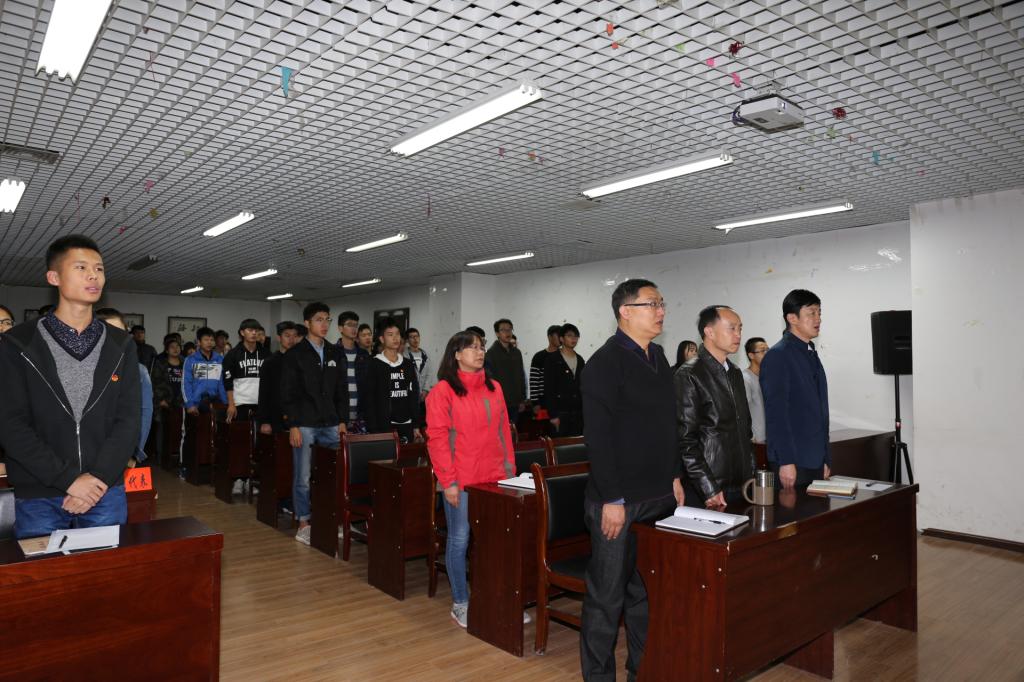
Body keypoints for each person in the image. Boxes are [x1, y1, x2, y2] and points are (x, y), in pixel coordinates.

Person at [0, 235, 139, 539]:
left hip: (104, 491)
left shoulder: (121, 345)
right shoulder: (18, 343)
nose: (93, 275)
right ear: (54, 277)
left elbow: (128, 421)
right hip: (40, 492)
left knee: (105, 569)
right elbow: (11, 424)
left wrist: (96, 480)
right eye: (81, 267)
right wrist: (70, 481)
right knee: (43, 571)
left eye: (99, 269)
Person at [580, 278, 684, 682]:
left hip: (658, 495)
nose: (661, 311)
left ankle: (641, 669)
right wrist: (612, 498)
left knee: (646, 594)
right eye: (651, 304)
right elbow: (599, 437)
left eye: (661, 303)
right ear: (625, 311)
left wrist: (674, 476)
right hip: (618, 501)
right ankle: (598, 677)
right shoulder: (604, 363)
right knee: (606, 599)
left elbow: (668, 425)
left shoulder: (658, 357)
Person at [426, 329, 515, 628]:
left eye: (481, 347)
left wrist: (509, 472)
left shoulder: (494, 387)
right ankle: (460, 603)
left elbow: (503, 432)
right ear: (456, 354)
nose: (480, 352)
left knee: (494, 541)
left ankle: (494, 598)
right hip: (461, 480)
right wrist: (448, 482)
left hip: (493, 477)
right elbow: (438, 441)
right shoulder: (442, 391)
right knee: (460, 539)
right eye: (473, 347)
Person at [674, 306, 755, 508]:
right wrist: (708, 487)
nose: (738, 334)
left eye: (740, 328)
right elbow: (685, 440)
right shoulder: (689, 374)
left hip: (742, 483)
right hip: (709, 487)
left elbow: (745, 429)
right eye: (732, 328)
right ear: (709, 332)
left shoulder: (734, 373)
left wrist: (751, 473)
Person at [280, 303, 348, 545]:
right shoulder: (295, 354)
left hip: (331, 423)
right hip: (305, 423)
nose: (324, 324)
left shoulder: (335, 352)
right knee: (303, 475)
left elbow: (341, 390)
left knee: (335, 474)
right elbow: (288, 393)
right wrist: (293, 425)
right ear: (307, 323)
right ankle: (304, 522)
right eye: (319, 319)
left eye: (327, 319)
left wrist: (343, 420)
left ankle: (331, 517)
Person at [760, 289, 831, 489]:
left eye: (819, 312)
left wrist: (825, 457)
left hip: (814, 458)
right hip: (793, 461)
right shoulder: (778, 355)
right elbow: (776, 414)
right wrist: (785, 461)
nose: (818, 319)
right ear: (792, 318)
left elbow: (820, 411)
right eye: (811, 313)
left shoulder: (810, 352)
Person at [97, 309, 153, 467]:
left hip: (123, 451)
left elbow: (144, 413)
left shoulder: (139, 371)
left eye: (120, 332)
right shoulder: (82, 369)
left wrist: (135, 452)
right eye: (108, 332)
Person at [222, 319, 268, 495]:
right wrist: (231, 404)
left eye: (256, 330)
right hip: (240, 404)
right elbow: (227, 381)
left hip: (261, 404)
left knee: (258, 444)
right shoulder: (233, 354)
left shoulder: (265, 353)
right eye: (250, 330)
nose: (254, 333)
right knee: (240, 443)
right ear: (242, 332)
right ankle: (238, 480)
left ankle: (252, 479)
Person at [364, 318, 422, 443]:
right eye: (390, 335)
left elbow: (414, 395)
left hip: (407, 424)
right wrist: (373, 428)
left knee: (408, 455)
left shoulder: (408, 364)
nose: (395, 338)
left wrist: (416, 424)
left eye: (397, 334)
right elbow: (369, 399)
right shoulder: (374, 364)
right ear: (382, 339)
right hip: (383, 426)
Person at [256, 321, 301, 435]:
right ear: (279, 337)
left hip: (299, 417)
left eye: (294, 336)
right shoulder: (270, 362)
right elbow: (264, 393)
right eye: (287, 336)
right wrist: (264, 421)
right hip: (275, 416)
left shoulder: (303, 361)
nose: (291, 339)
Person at [544, 323, 585, 436]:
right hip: (560, 412)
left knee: (577, 444)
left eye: (576, 336)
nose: (573, 339)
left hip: (577, 413)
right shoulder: (552, 359)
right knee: (561, 444)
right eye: (570, 335)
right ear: (561, 338)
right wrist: (553, 415)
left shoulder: (580, 360)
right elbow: (549, 389)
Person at [151, 335, 186, 463]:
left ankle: (178, 457)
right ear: (167, 350)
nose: (175, 349)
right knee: (162, 431)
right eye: (172, 347)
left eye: (177, 347)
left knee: (179, 430)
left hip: (181, 402)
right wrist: (161, 400)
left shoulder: (185, 363)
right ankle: (161, 458)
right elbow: (155, 383)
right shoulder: (161, 363)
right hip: (164, 402)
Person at [485, 318, 526, 424]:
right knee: (501, 431)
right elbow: (490, 380)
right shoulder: (491, 353)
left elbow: (521, 376)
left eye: (510, 329)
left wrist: (522, 399)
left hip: (516, 402)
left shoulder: (517, 353)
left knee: (513, 430)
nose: (508, 332)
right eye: (503, 330)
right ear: (497, 334)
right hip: (499, 402)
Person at [336, 311, 370, 433]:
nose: (354, 328)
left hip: (361, 417)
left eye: (356, 325)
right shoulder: (332, 353)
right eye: (349, 325)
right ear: (340, 328)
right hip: (338, 418)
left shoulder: (364, 355)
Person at [182, 327, 227, 414]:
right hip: (196, 405)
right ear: (199, 342)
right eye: (206, 340)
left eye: (212, 340)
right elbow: (186, 384)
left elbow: (222, 383)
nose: (209, 342)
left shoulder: (220, 359)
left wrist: (226, 403)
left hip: (216, 403)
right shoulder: (190, 359)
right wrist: (190, 404)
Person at [742, 337, 768, 444]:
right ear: (751, 355)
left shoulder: (767, 377)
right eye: (762, 351)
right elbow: (743, 411)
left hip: (771, 437)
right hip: (757, 440)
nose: (767, 353)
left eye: (767, 350)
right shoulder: (745, 378)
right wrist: (751, 436)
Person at [530, 325, 561, 406]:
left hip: (561, 400)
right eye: (558, 335)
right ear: (549, 337)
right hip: (544, 400)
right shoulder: (539, 356)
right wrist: (535, 402)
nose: (560, 338)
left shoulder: (564, 356)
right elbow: (534, 381)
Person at [403, 327, 433, 410]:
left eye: (417, 336)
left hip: (424, 394)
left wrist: (425, 390)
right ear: (407, 340)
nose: (415, 339)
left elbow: (429, 374)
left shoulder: (425, 355)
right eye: (412, 337)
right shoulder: (404, 355)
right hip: (409, 394)